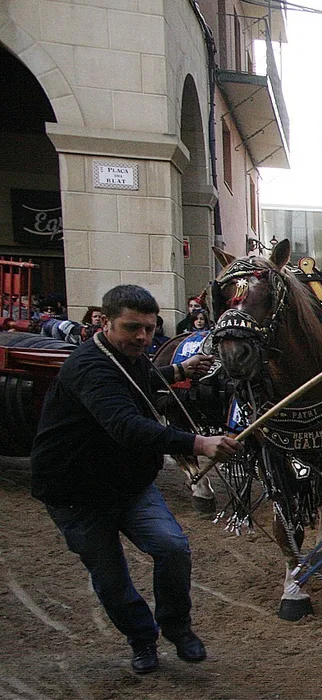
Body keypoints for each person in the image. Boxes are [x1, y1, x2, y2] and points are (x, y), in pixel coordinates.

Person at [30, 284, 240, 673]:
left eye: (149, 328)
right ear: (104, 323)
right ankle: (142, 640)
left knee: (172, 548)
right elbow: (126, 426)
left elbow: (139, 382)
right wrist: (199, 442)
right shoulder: (89, 366)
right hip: (76, 495)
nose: (143, 337)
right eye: (132, 328)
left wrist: (177, 370)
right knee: (111, 580)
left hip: (128, 484)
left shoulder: (128, 357)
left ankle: (177, 629)